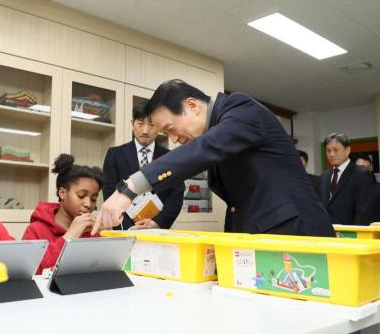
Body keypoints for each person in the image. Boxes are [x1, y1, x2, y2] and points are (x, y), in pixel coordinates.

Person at [93, 79, 334, 237]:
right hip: (259, 237)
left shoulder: (241, 109)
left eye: (171, 128)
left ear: (193, 106)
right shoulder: (217, 131)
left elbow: (205, 149)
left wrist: (131, 187)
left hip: (297, 233)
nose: (174, 139)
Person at [102, 102, 184, 229]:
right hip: (125, 228)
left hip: (158, 229)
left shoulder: (170, 157)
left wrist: (158, 223)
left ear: (159, 127)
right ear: (132, 123)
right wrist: (127, 226)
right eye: (140, 124)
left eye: (152, 125)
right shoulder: (115, 154)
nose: (145, 131)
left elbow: (176, 195)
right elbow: (109, 192)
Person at [22, 154, 103, 274]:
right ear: (62, 193)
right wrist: (69, 236)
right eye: (81, 195)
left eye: (94, 198)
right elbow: (29, 271)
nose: (88, 204)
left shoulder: (90, 230)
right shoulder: (36, 230)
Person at [319, 133, 374, 225]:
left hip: (349, 234)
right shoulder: (324, 176)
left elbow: (363, 211)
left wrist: (354, 235)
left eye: (336, 150)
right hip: (326, 233)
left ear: (347, 150)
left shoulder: (362, 174)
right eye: (328, 151)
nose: (331, 154)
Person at [351, 152, 380, 222]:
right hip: (354, 231)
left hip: (376, 231)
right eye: (361, 167)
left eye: (368, 167)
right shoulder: (348, 189)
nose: (365, 170)